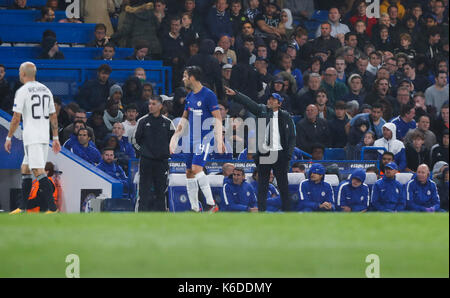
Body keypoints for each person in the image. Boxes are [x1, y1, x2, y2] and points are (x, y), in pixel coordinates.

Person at [225, 87, 296, 212]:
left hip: (280, 154)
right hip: (264, 153)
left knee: (283, 184)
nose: (270, 101)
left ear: (279, 103)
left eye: (273, 100)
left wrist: (288, 155)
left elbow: (291, 137)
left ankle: (287, 211)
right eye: (269, 99)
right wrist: (236, 94)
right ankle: (261, 211)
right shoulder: (262, 110)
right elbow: (249, 102)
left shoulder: (285, 116)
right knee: (262, 185)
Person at [4, 62, 61, 214]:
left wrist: (9, 137)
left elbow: (16, 117)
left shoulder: (23, 91)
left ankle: (53, 209)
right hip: (42, 135)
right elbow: (53, 115)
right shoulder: (46, 90)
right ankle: (22, 207)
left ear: (23, 74)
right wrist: (55, 137)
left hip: (33, 137)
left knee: (38, 171)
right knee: (25, 168)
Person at [169, 66, 224, 213]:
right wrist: (175, 137)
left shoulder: (208, 95)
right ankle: (194, 208)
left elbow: (218, 117)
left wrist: (219, 140)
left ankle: (211, 204)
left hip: (205, 138)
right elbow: (184, 118)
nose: (183, 79)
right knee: (189, 172)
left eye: (185, 76)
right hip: (190, 139)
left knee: (196, 168)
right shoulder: (190, 96)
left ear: (192, 77)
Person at [134, 95, 175, 211]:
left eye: (153, 104)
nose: (150, 106)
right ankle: (141, 217)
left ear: (160, 106)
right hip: (146, 161)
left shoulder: (168, 123)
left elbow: (174, 141)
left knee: (161, 191)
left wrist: (166, 153)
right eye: (149, 104)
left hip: (162, 162)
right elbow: (135, 140)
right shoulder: (142, 121)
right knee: (144, 191)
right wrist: (143, 152)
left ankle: (161, 217)